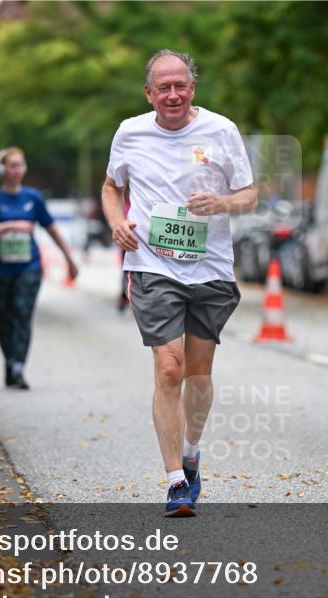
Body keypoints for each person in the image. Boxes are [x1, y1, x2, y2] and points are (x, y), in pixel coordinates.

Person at [102, 50, 257, 517]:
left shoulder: (221, 130)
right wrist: (116, 222)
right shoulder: (130, 132)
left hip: (209, 268)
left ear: (193, 88)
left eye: (181, 85)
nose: (173, 94)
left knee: (198, 375)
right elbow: (112, 187)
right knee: (169, 368)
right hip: (152, 266)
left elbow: (249, 196)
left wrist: (224, 203)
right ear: (148, 92)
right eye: (163, 87)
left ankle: (191, 452)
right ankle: (174, 482)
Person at [0, 147, 78, 389]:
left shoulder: (32, 198)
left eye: (20, 165)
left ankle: (19, 367)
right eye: (12, 165)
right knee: (5, 320)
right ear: (3, 169)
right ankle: (10, 362)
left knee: (23, 315)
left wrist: (70, 260)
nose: (17, 170)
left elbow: (52, 229)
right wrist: (11, 225)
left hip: (29, 268)